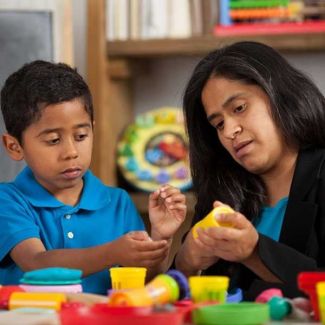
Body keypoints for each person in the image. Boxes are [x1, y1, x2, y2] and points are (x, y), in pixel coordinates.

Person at [0, 60, 186, 294]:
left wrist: (160, 237)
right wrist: (113, 252)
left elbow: (144, 288)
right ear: (14, 146)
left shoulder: (118, 202)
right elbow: (36, 263)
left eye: (80, 136)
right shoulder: (7, 200)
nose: (71, 152)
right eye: (54, 140)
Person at [175, 41, 325, 300]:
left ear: (280, 94)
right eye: (219, 124)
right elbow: (187, 302)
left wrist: (255, 252)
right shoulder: (222, 192)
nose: (230, 130)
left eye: (239, 108)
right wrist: (186, 262)